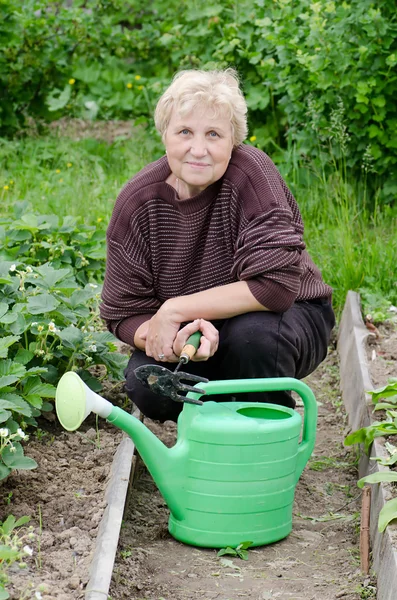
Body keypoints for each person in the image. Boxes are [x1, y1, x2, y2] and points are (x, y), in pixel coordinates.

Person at [100, 69, 335, 422]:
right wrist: (171, 339)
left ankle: (263, 437)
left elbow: (275, 288)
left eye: (213, 134)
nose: (198, 149)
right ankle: (209, 435)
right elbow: (123, 312)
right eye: (184, 132)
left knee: (252, 339)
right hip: (194, 334)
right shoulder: (138, 202)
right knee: (146, 382)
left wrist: (175, 310)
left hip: (286, 316)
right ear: (165, 135)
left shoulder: (251, 174)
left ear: (233, 140)